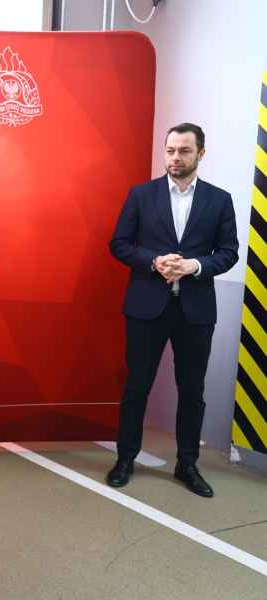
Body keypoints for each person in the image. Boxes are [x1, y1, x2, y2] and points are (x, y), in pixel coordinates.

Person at [107, 122, 238, 497]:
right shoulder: (141, 195)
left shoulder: (219, 200)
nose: (175, 157)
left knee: (193, 390)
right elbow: (119, 244)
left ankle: (187, 465)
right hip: (146, 306)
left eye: (183, 151)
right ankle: (125, 459)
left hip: (196, 310)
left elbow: (228, 252)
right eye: (170, 150)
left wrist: (195, 265)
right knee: (137, 386)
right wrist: (154, 261)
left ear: (201, 153)